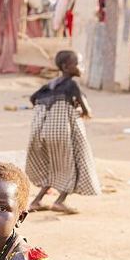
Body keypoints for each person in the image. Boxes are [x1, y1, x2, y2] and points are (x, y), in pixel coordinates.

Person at [25, 50, 101, 215]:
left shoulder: (48, 86)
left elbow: (33, 99)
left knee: (53, 167)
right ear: (66, 67)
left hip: (43, 132)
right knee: (70, 165)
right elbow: (86, 109)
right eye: (78, 63)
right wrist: (79, 111)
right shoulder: (72, 84)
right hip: (62, 132)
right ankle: (60, 201)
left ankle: (36, 201)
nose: (81, 67)